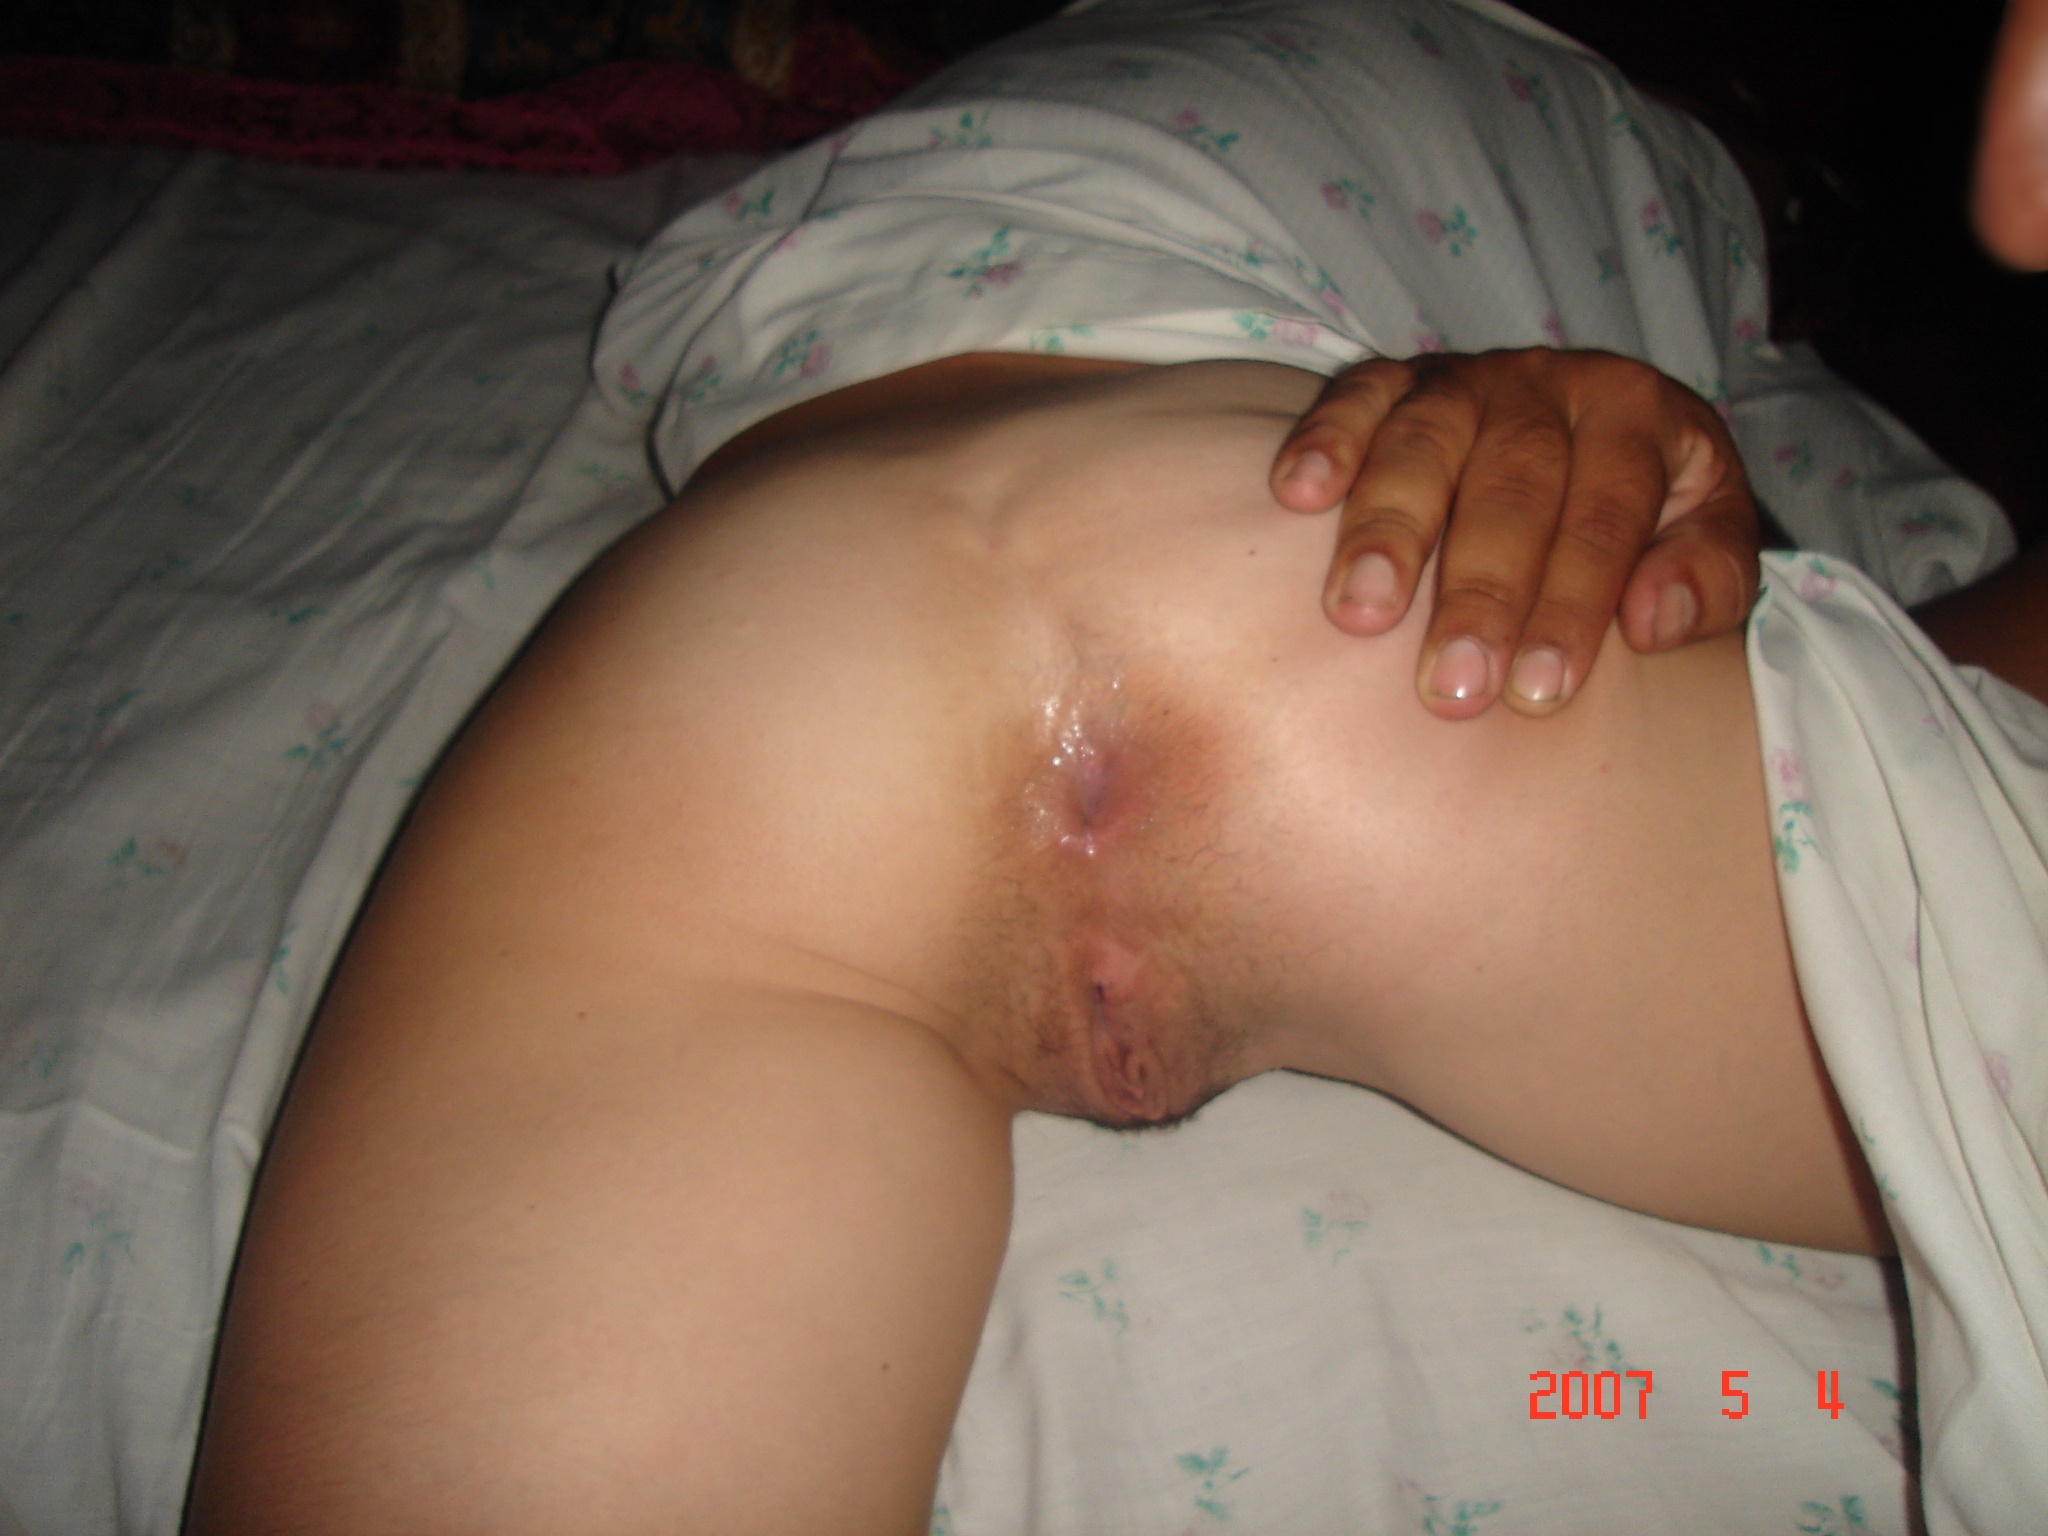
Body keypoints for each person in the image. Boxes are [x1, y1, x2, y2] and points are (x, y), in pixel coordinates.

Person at [189, 1, 2046, 1531]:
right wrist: (1734, 477)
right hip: (1334, 581)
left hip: (774, 640)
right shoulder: (1652, 154)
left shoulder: (940, 131)